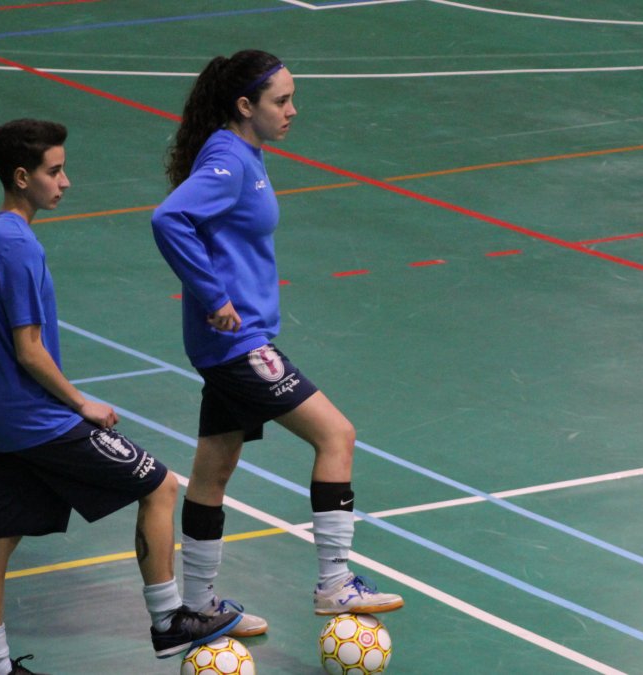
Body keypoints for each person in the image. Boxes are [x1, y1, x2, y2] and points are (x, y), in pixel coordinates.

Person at [0, 118, 239, 675]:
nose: (65, 181)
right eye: (54, 170)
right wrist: (80, 403)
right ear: (22, 177)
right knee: (160, 484)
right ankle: (169, 620)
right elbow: (29, 349)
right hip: (36, 421)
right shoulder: (19, 245)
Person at [150, 50, 405, 638]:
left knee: (214, 470)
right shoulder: (229, 159)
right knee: (336, 435)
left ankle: (199, 604)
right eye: (280, 100)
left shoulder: (244, 155)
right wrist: (214, 297)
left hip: (232, 345)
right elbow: (169, 220)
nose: (293, 110)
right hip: (241, 346)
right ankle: (335, 584)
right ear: (246, 106)